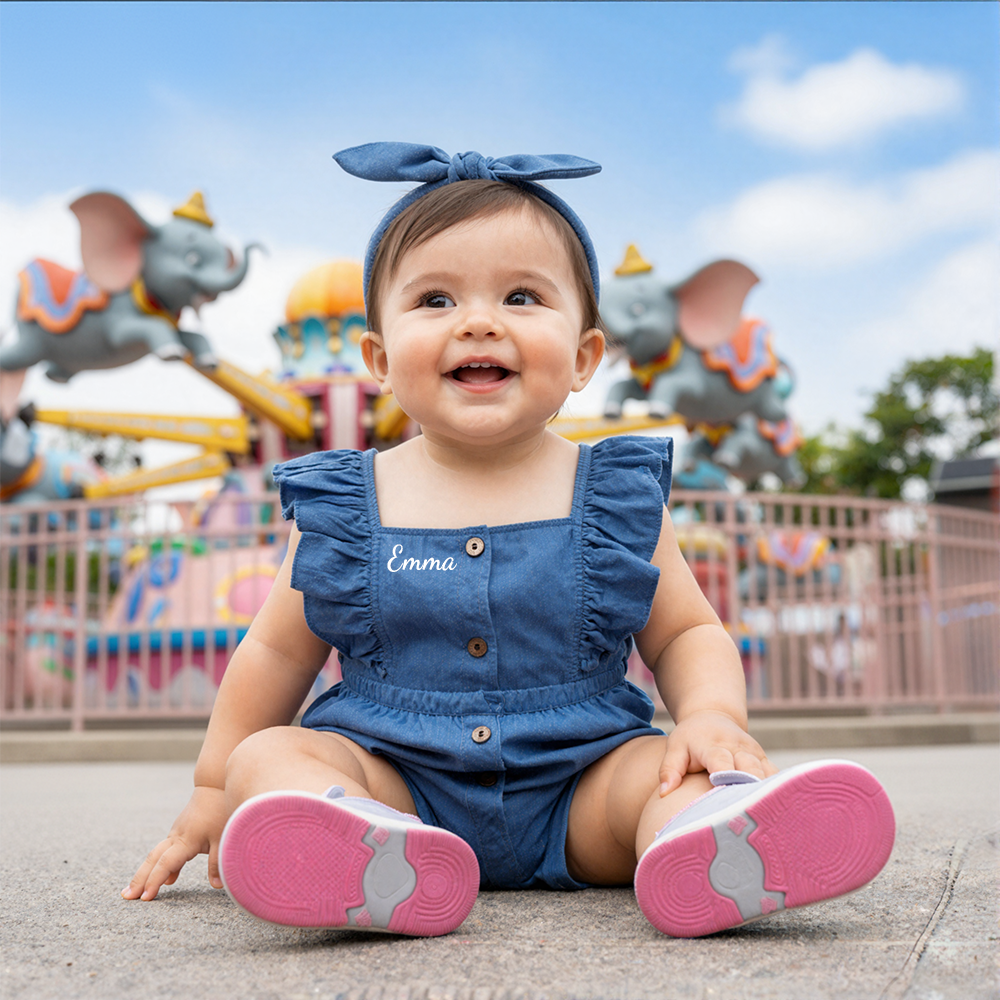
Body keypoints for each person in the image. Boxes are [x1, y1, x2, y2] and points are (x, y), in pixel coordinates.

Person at [123, 142, 895, 938]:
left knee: (665, 773)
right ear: (381, 360)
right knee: (269, 759)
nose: (479, 321)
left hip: (580, 784)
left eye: (522, 296)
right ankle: (364, 855)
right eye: (435, 301)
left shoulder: (617, 495)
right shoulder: (348, 502)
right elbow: (275, 655)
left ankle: (707, 842)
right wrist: (217, 787)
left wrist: (710, 713)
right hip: (395, 785)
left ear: (585, 357)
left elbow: (688, 630)